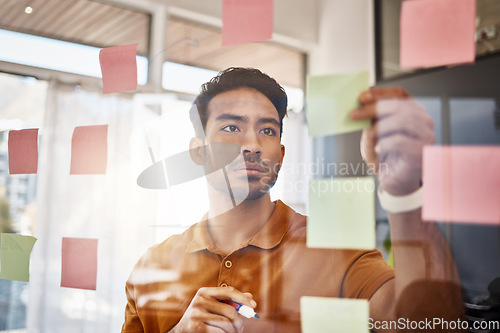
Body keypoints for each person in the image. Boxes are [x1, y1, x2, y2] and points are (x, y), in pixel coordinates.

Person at [122, 67, 464, 333]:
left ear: (281, 155)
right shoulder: (150, 269)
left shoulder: (334, 250)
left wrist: (405, 192)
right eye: (230, 128)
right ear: (198, 152)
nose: (252, 144)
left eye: (267, 130)